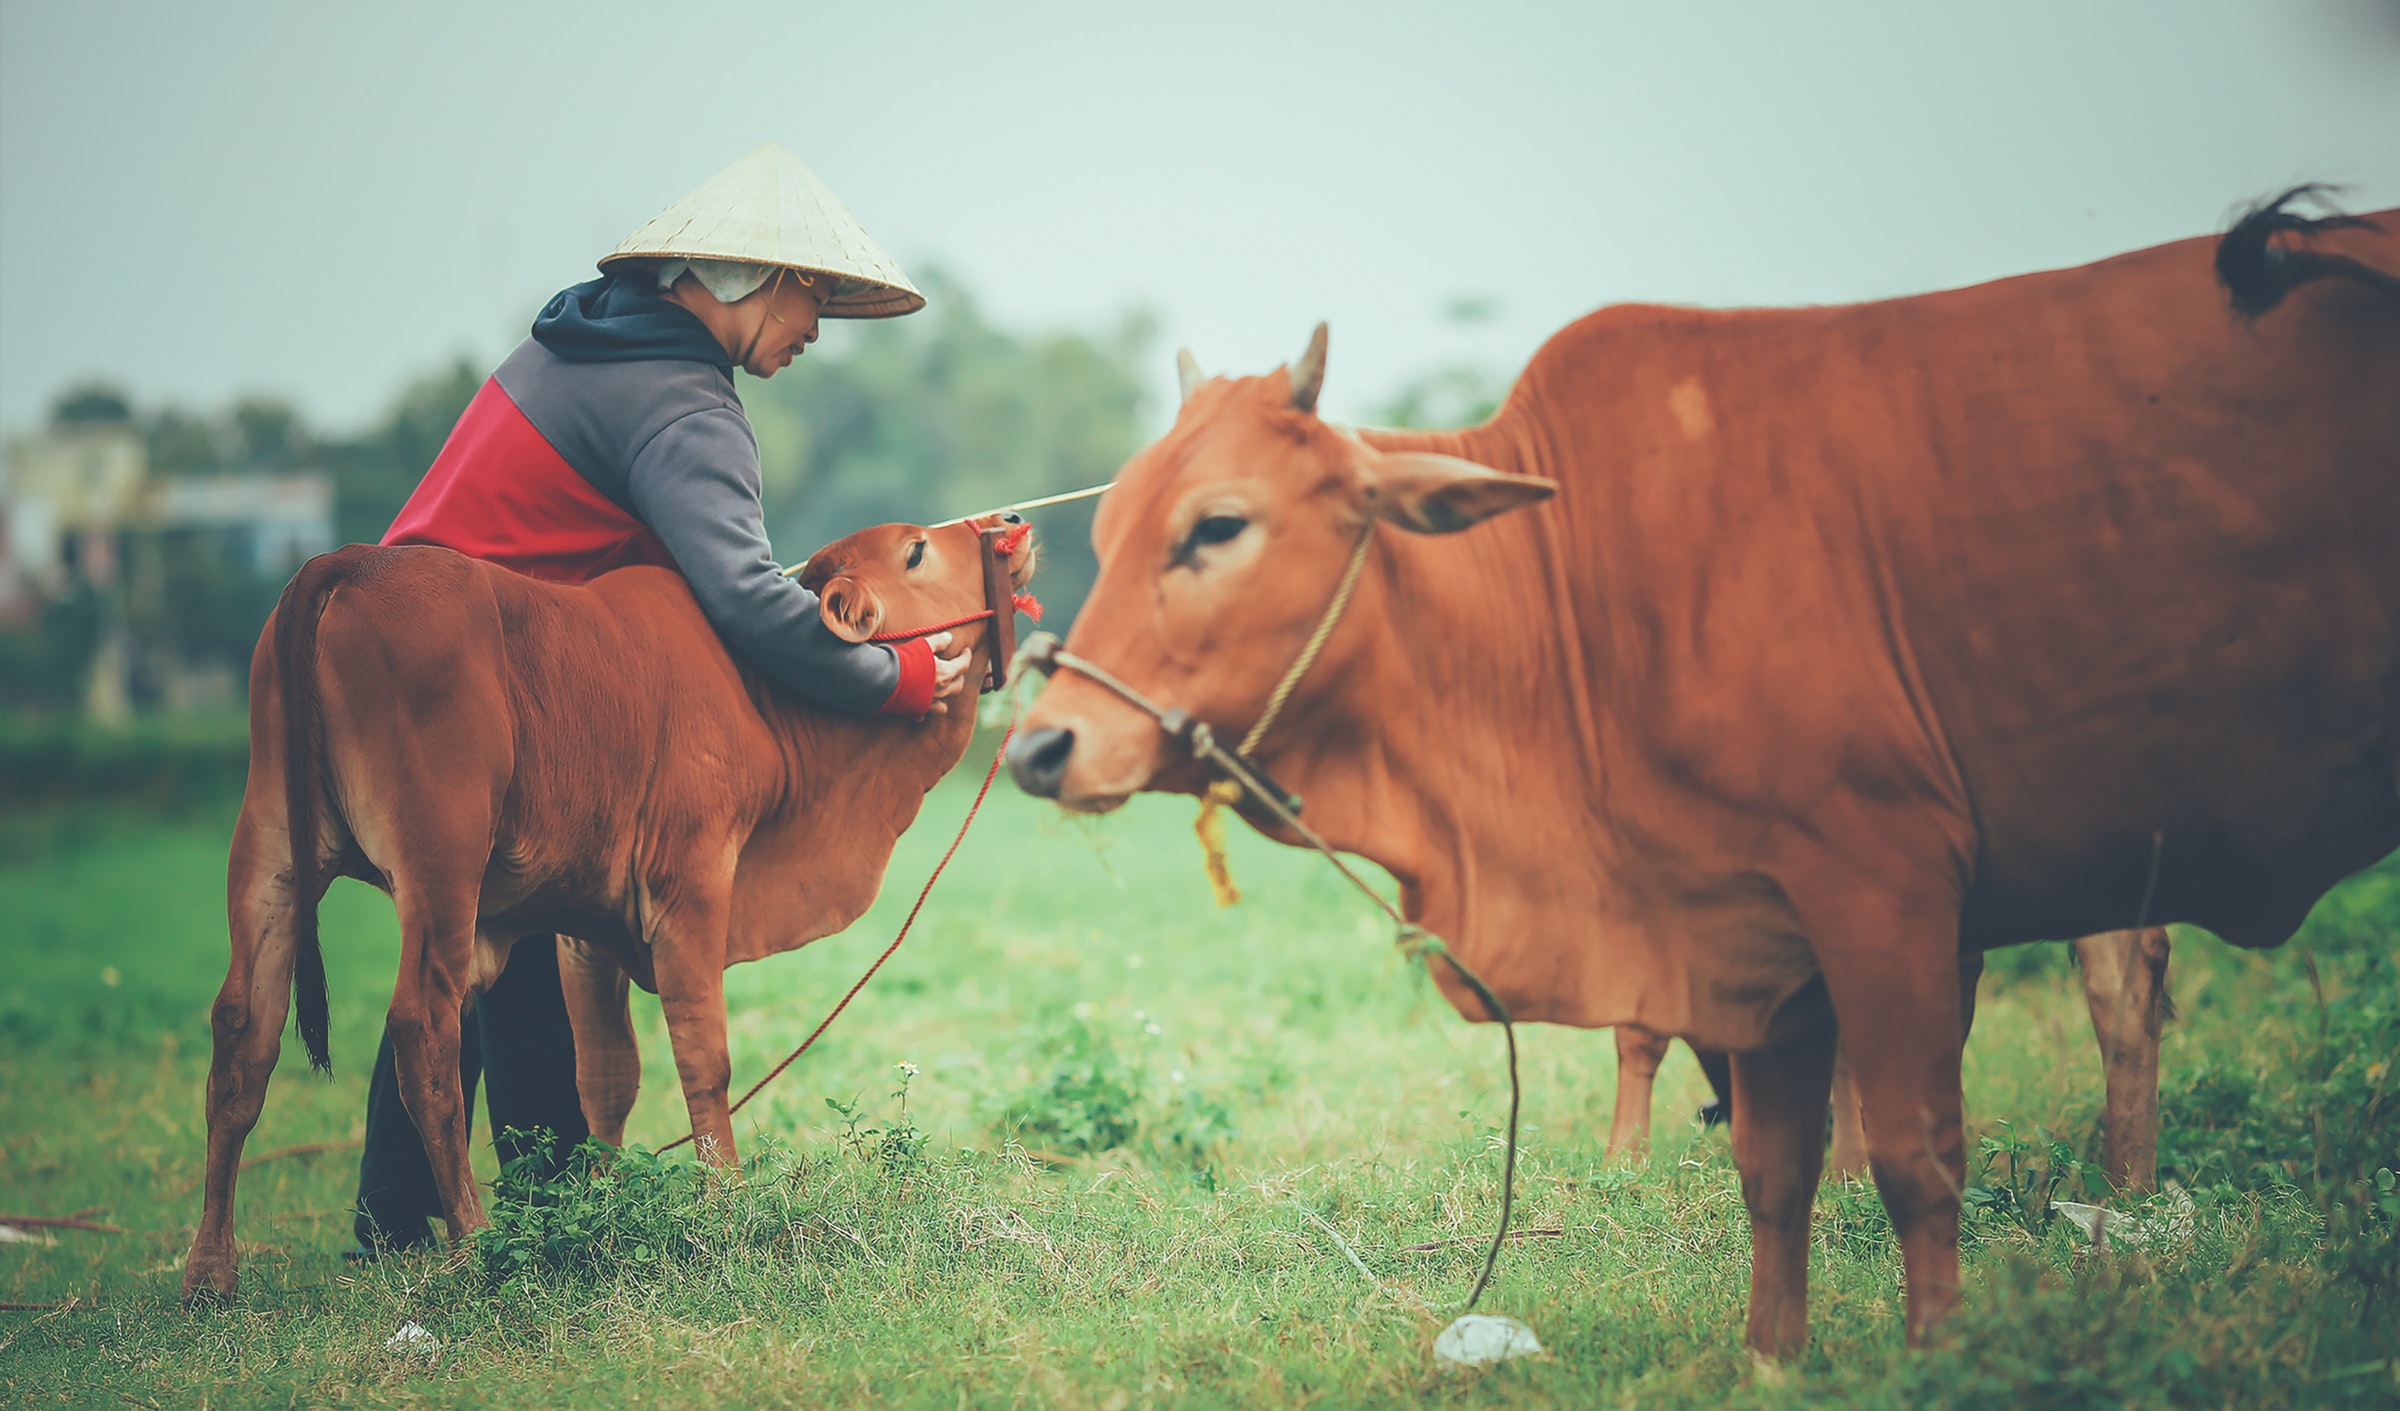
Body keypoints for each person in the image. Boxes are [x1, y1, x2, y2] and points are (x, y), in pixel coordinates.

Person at [349, 142, 968, 1255]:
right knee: (521, 919)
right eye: (811, 295)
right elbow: (742, 600)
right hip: (476, 678)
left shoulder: (580, 342)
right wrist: (895, 677)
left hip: (389, 659)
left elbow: (700, 586)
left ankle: (394, 1219)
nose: (817, 328)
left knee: (455, 937)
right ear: (744, 280)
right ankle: (556, 1219)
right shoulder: (686, 406)